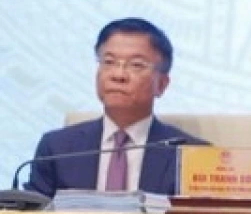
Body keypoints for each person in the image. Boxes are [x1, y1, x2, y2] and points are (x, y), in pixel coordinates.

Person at [25, 17, 208, 198]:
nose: (118, 75)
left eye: (136, 65)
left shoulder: (193, 156)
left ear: (161, 84)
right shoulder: (57, 149)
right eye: (109, 62)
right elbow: (32, 212)